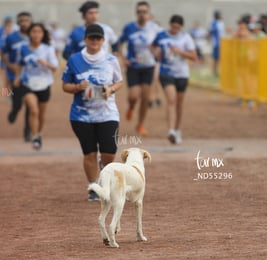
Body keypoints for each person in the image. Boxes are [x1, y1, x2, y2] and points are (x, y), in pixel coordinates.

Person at [62, 24, 123, 201]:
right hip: (81, 115)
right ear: (85, 39)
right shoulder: (74, 59)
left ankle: (104, 171)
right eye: (91, 38)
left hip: (108, 113)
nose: (95, 41)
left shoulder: (111, 60)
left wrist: (110, 90)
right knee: (89, 152)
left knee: (109, 151)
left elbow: (119, 82)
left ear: (103, 41)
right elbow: (64, 85)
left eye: (98, 38)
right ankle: (94, 187)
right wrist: (76, 87)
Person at [118, 1, 161, 136]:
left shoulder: (155, 28)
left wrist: (158, 54)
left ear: (149, 14)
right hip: (134, 66)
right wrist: (124, 59)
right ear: (136, 13)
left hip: (148, 66)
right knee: (133, 95)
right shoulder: (129, 27)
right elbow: (119, 43)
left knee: (145, 97)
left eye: (144, 12)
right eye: (139, 12)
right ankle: (131, 107)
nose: (142, 14)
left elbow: (162, 43)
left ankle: (140, 125)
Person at [152, 15, 197, 145]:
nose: (175, 29)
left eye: (178, 28)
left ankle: (177, 129)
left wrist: (179, 51)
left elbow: (194, 56)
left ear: (181, 27)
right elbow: (152, 46)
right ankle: (171, 130)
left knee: (179, 103)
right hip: (166, 72)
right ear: (170, 25)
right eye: (173, 27)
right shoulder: (161, 35)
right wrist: (156, 54)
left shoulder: (185, 38)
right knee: (171, 100)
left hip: (182, 74)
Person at [13, 23, 58, 150]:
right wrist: (17, 78)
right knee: (33, 110)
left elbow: (55, 68)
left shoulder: (48, 49)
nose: (36, 34)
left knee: (41, 114)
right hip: (27, 83)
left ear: (43, 34)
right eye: (33, 31)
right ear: (29, 34)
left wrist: (46, 63)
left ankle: (38, 133)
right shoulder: (22, 48)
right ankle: (35, 137)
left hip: (44, 84)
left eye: (39, 32)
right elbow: (19, 65)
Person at [1, 11, 32, 142]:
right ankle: (14, 111)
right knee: (18, 104)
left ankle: (28, 132)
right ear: (18, 23)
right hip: (15, 76)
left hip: (31, 77)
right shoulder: (11, 37)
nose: (24, 23)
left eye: (27, 20)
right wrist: (9, 65)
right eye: (22, 20)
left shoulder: (35, 36)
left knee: (31, 104)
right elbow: (4, 53)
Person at [0, 19, 14, 93]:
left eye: (9, 28)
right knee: (6, 78)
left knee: (12, 78)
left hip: (13, 61)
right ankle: (6, 93)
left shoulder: (14, 38)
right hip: (4, 61)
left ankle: (13, 93)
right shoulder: (2, 38)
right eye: (7, 28)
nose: (8, 29)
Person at [209, 10, 225, 77]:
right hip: (216, 43)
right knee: (216, 58)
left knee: (219, 58)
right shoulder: (214, 23)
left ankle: (217, 71)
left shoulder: (220, 23)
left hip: (221, 43)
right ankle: (215, 71)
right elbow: (211, 32)